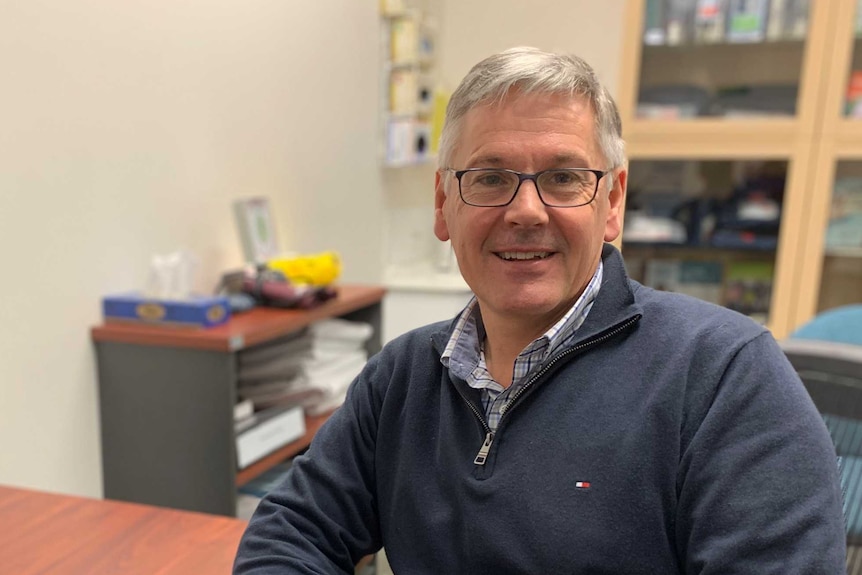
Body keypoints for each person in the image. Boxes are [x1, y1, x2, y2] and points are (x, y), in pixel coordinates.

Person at [234, 47, 846, 574]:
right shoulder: (401, 377)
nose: (526, 210)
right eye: (491, 177)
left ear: (613, 203)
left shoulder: (725, 377)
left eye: (562, 177)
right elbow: (292, 532)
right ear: (444, 204)